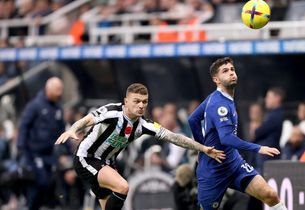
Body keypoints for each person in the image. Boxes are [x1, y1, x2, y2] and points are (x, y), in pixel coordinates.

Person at [54, 83, 225, 210]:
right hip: (87, 158)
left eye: (145, 102)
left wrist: (202, 148)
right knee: (123, 187)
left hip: (106, 163)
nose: (141, 105)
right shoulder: (112, 112)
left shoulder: (145, 125)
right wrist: (73, 129)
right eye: (136, 101)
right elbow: (88, 119)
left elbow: (174, 137)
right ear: (126, 101)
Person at [188, 57, 286, 210]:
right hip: (213, 171)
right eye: (225, 71)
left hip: (234, 164)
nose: (231, 73)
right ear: (216, 79)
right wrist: (258, 148)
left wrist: (203, 147)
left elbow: (193, 119)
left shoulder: (217, 98)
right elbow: (226, 138)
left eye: (232, 69)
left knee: (270, 195)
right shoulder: (219, 104)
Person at [17, 77, 65, 210]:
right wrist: (21, 147)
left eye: (61, 90)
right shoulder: (35, 105)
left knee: (50, 184)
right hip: (33, 153)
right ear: (48, 89)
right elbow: (24, 126)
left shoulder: (58, 109)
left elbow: (62, 131)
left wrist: (66, 149)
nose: (60, 93)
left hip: (50, 154)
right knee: (40, 182)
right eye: (57, 90)